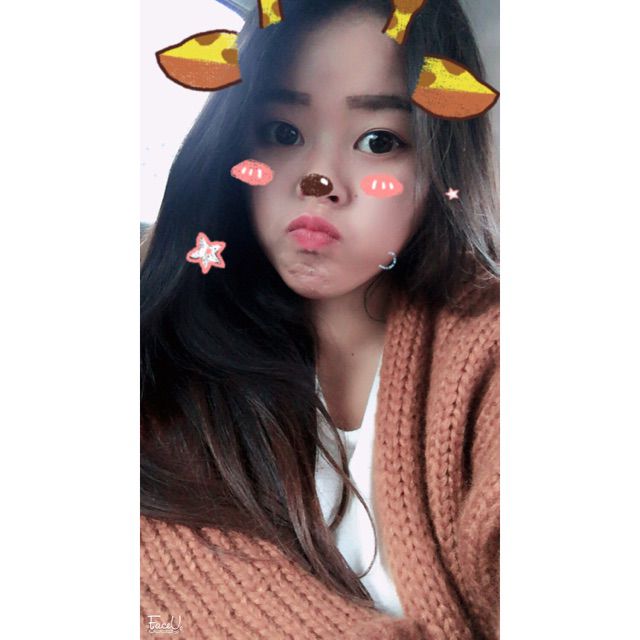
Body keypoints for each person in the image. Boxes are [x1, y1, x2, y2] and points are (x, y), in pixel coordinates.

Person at [140, 0, 499, 638]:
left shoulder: (497, 349)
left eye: (378, 141)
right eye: (282, 132)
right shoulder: (157, 358)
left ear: (439, 161)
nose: (317, 181)